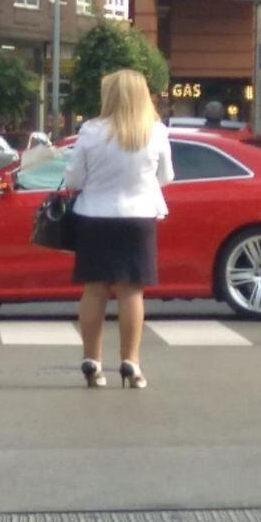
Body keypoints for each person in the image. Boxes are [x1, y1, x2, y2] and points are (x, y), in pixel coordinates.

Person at [64, 69, 173, 390]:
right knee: (131, 291)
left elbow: (73, 180)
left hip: (93, 216)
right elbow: (166, 177)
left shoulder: (91, 131)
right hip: (138, 218)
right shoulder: (154, 132)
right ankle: (131, 362)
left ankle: (91, 359)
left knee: (94, 289)